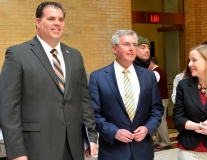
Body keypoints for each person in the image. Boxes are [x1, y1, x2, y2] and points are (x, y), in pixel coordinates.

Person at [0, 2, 97, 160]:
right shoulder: (17, 55)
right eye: (51, 18)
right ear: (38, 22)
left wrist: (91, 136)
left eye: (61, 19)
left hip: (73, 147)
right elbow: (8, 108)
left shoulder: (74, 55)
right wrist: (17, 153)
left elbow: (84, 100)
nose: (57, 23)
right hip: (37, 148)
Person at [89, 30, 164, 160]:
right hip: (113, 151)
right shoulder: (98, 77)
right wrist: (114, 132)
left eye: (134, 45)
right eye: (126, 44)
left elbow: (157, 109)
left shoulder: (148, 76)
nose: (131, 49)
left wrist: (147, 128)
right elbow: (93, 114)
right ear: (114, 48)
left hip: (143, 151)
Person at [148, 57, 171, 149]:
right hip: (162, 98)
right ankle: (159, 140)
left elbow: (151, 86)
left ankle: (166, 141)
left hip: (161, 99)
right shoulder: (158, 70)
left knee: (161, 121)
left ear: (150, 63)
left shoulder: (155, 72)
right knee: (157, 120)